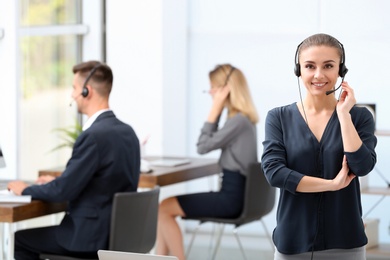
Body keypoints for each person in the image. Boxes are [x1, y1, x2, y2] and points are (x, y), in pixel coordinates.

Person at [8, 60, 140, 259]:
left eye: (74, 88)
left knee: (20, 240)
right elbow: (100, 182)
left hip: (87, 238)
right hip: (118, 236)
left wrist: (24, 189)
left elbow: (64, 191)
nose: (72, 95)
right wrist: (57, 181)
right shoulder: (127, 132)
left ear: (87, 91)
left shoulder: (94, 136)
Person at [261, 33, 377, 260]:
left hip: (346, 242)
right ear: (299, 70)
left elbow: (362, 166)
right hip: (293, 241)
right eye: (310, 66)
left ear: (341, 71)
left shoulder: (360, 116)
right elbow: (274, 173)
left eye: (328, 66)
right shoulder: (278, 117)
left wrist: (343, 115)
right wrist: (332, 185)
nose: (318, 74)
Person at [156, 64, 259, 260]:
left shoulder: (238, 121)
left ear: (224, 89)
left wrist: (215, 108)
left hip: (231, 199)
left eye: (213, 88)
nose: (210, 92)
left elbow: (202, 146)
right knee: (164, 207)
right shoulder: (245, 121)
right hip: (236, 196)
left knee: (164, 208)